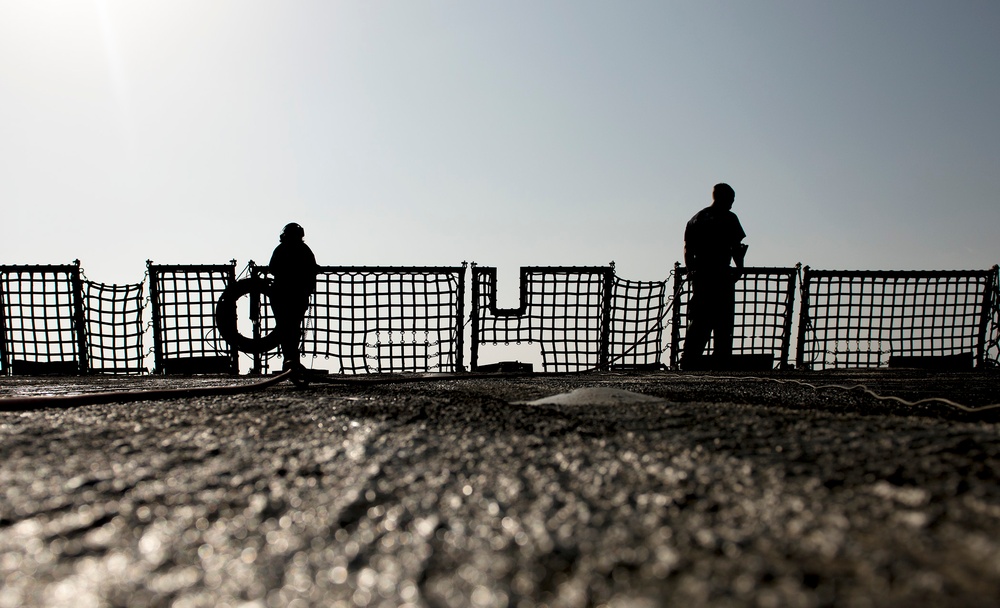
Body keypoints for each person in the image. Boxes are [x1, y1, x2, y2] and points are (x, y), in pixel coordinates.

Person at [681, 183, 748, 369]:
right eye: (731, 200)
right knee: (723, 321)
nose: (732, 204)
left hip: (702, 275)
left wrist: (691, 270)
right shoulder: (729, 218)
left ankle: (689, 360)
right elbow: (736, 247)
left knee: (699, 319)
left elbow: (688, 248)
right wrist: (740, 267)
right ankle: (721, 360)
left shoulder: (697, 219)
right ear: (724, 198)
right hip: (721, 274)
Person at [268, 222, 318, 372]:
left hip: (281, 295)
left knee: (284, 328)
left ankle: (288, 359)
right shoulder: (304, 250)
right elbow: (312, 269)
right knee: (293, 328)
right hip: (297, 295)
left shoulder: (280, 249)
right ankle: (293, 359)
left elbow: (272, 268)